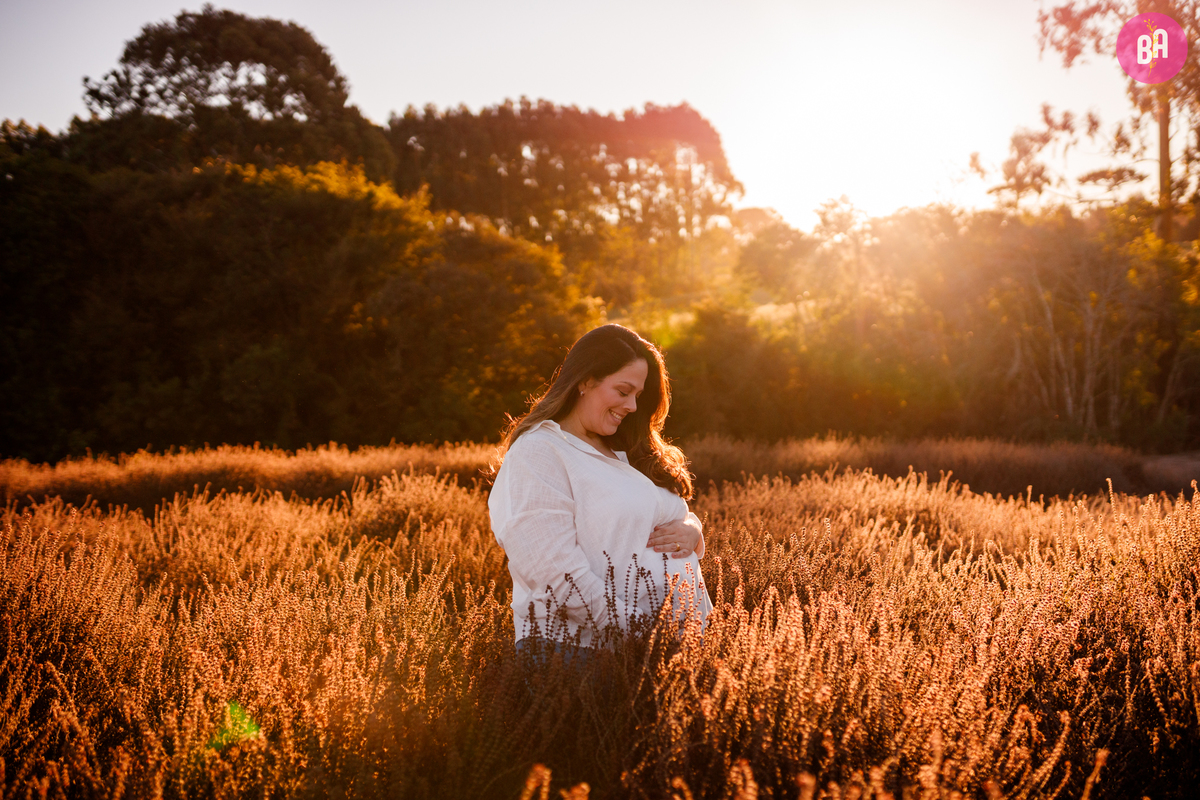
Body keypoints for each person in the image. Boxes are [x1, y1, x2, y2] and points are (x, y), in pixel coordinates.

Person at [488, 324, 712, 651]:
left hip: (667, 651)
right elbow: (556, 578)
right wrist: (644, 632)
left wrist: (693, 529)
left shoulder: (622, 448)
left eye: (638, 395)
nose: (633, 406)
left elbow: (670, 512)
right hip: (585, 655)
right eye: (623, 391)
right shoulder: (539, 451)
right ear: (586, 380)